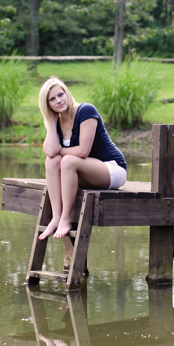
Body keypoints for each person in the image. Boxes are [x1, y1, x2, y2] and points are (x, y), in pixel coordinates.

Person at [38, 77, 127, 240]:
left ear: (67, 93)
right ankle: (56, 217)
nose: (58, 101)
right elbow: (50, 152)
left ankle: (66, 219)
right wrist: (52, 121)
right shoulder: (57, 121)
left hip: (112, 169)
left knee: (67, 161)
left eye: (60, 95)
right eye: (52, 99)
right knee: (52, 162)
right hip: (87, 171)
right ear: (48, 105)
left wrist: (59, 151)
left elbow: (83, 151)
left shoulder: (86, 111)